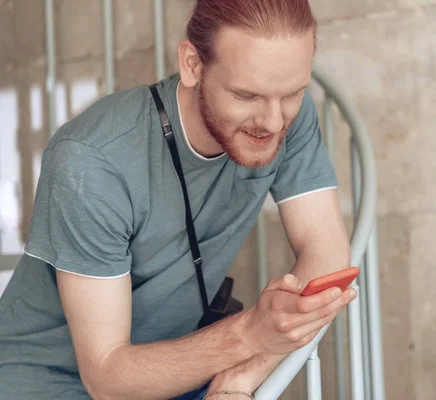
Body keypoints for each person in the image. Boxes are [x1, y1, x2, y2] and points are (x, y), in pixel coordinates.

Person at [0, 0, 357, 399]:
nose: (273, 122)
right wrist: (250, 333)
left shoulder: (287, 116)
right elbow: (105, 379)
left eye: (291, 93)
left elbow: (327, 257)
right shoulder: (91, 160)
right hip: (50, 384)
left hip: (180, 372)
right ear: (192, 65)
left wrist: (245, 373)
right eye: (246, 94)